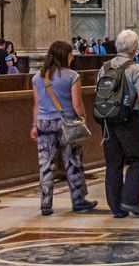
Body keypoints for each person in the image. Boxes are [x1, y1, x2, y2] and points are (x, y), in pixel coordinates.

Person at [30, 40, 97, 216]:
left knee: (46, 163)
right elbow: (76, 103)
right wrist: (83, 116)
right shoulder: (72, 76)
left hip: (44, 123)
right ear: (64, 56)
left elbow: (36, 104)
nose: (72, 57)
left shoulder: (38, 77)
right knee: (73, 161)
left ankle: (45, 203)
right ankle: (78, 200)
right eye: (71, 54)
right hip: (66, 122)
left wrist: (34, 126)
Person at [100, 29, 139, 218]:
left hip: (108, 120)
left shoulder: (105, 67)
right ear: (135, 48)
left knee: (113, 163)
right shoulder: (136, 68)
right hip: (129, 119)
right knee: (137, 158)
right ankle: (130, 199)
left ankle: (116, 207)